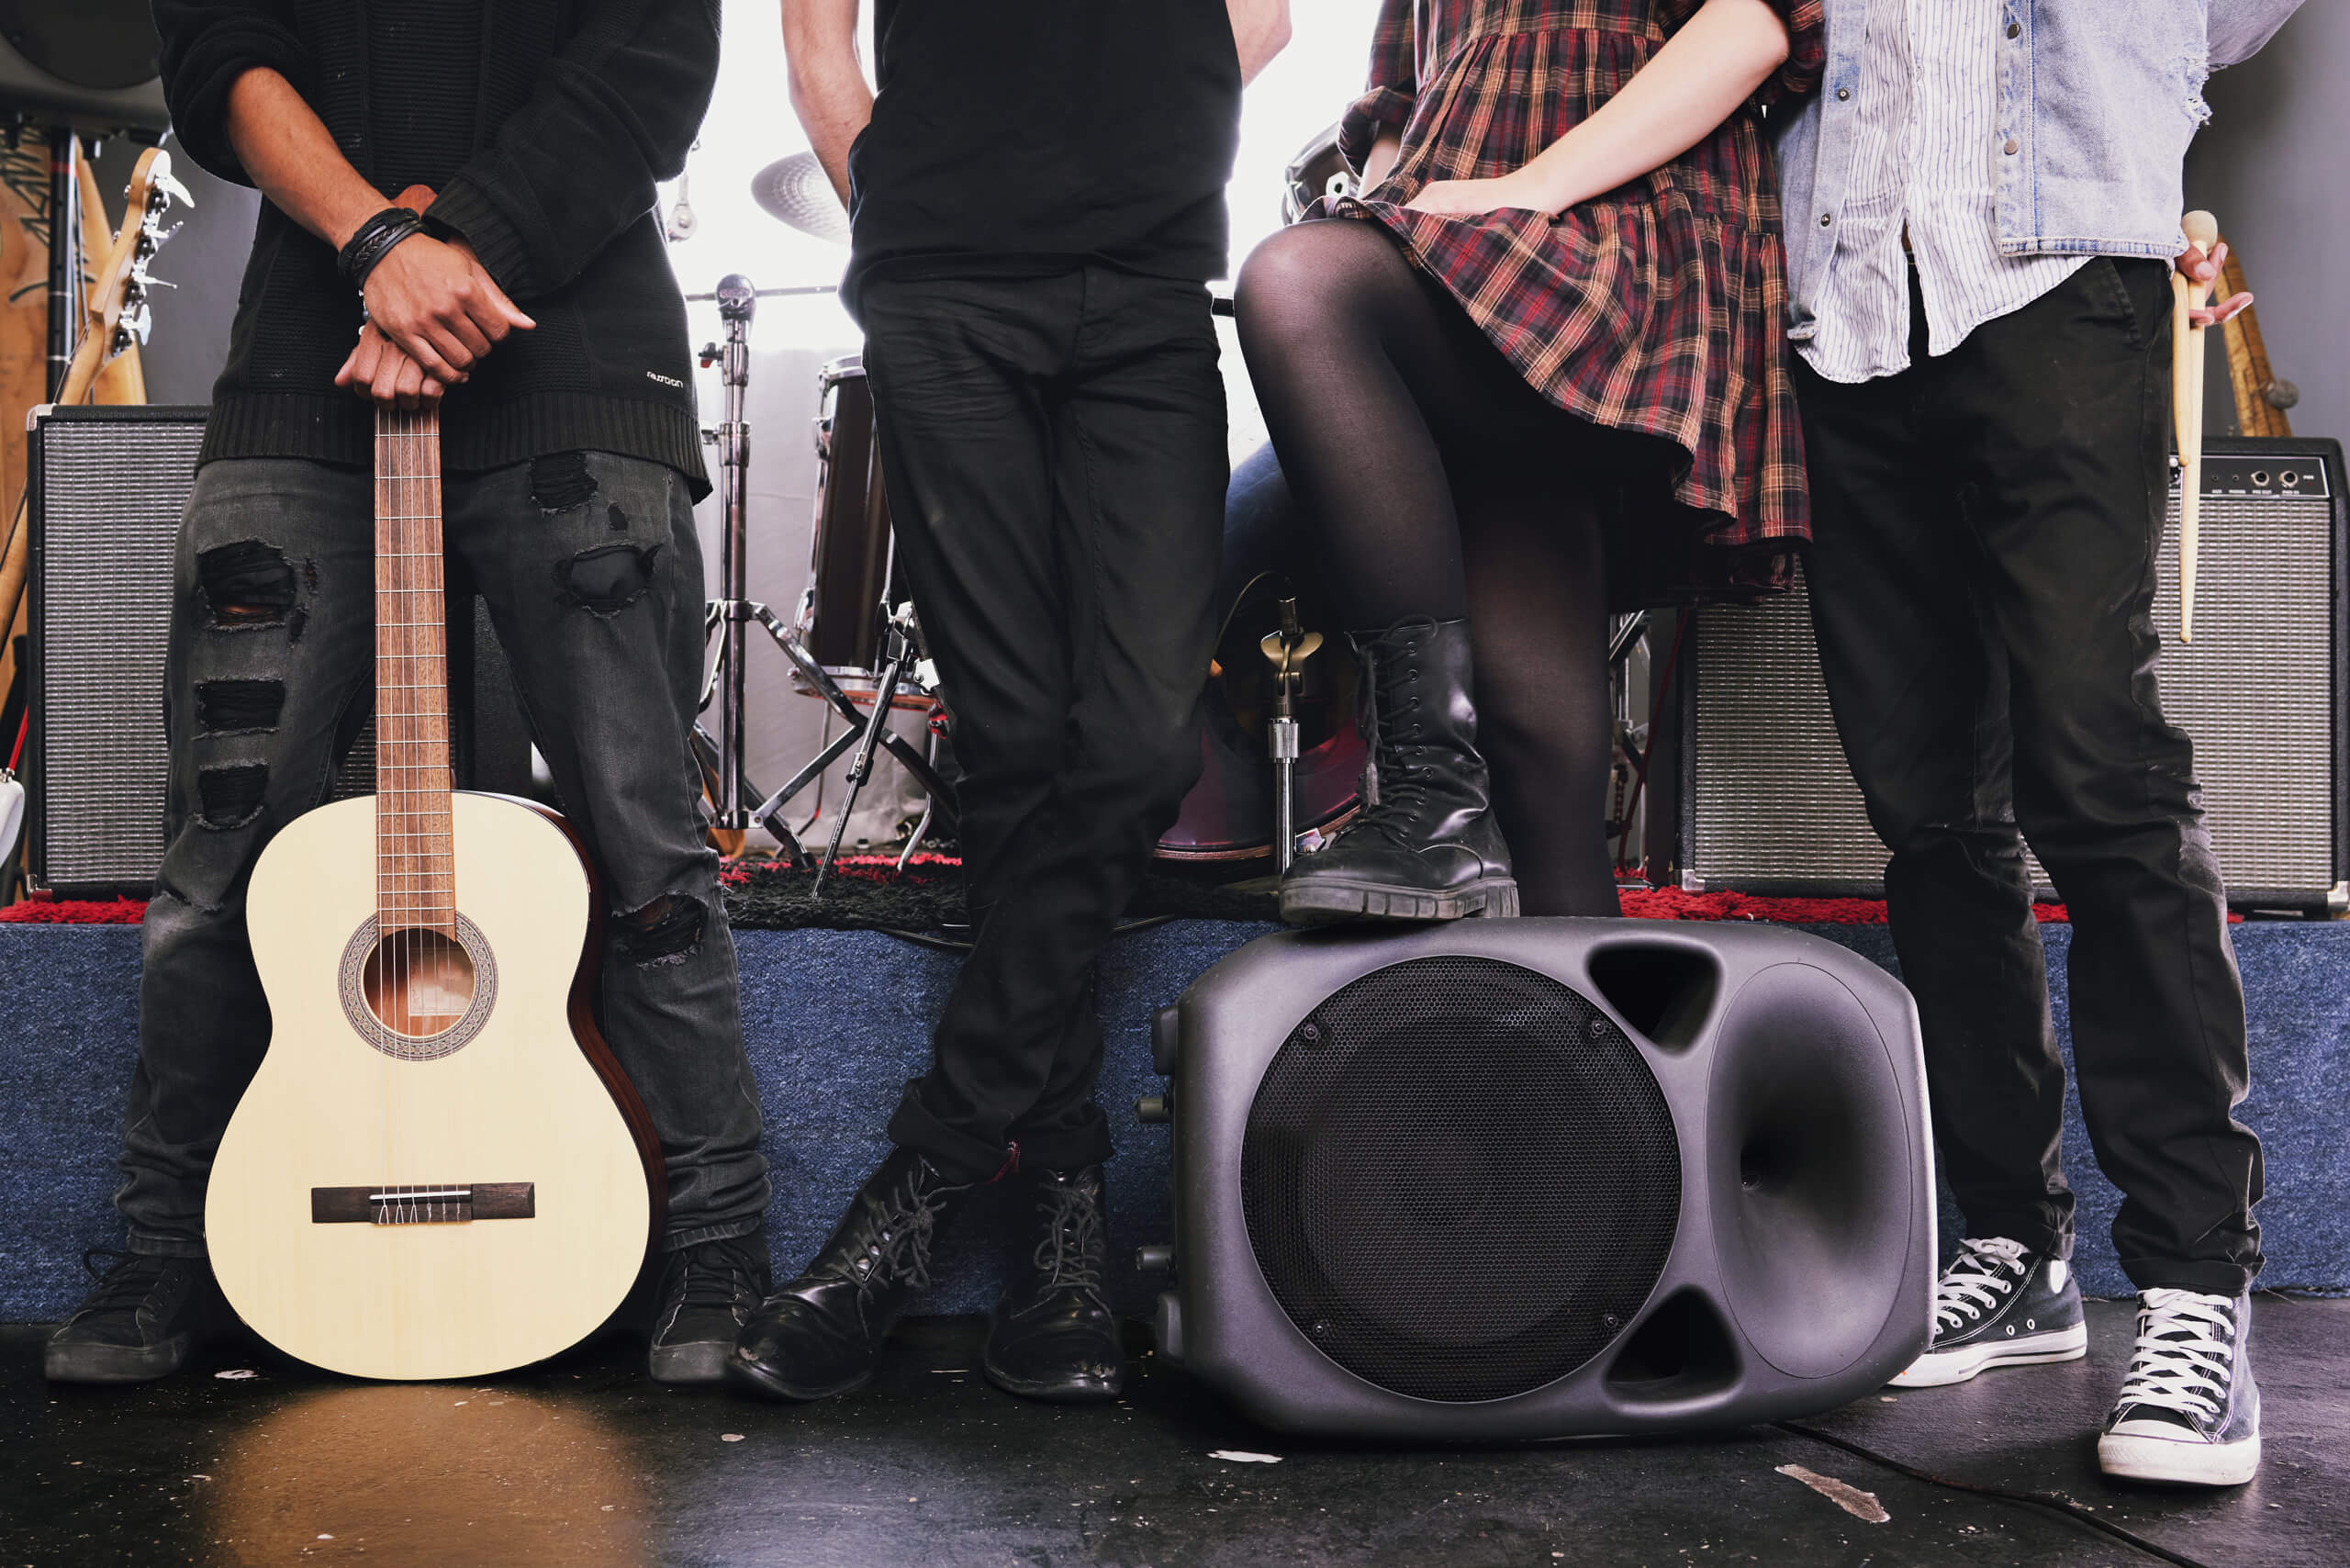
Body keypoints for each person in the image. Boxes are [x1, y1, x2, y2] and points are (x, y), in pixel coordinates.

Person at [43, 0, 773, 1388]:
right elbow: (218, 55)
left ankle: (721, 1245)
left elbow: (653, 63)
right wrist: (378, 244)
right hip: (307, 363)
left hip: (576, 372)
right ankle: (167, 1251)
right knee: (215, 858)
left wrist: (445, 261)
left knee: (645, 846)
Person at [1774, 0, 2304, 1487]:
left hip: (2058, 262)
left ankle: (2198, 1287)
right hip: (1850, 282)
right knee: (1930, 807)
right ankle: (2016, 1245)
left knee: (2100, 769)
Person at [735, 0, 1290, 1406]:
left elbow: (1265, 22)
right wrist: (921, 194)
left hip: (1146, 289)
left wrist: (1116, 144)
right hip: (943, 292)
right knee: (1020, 745)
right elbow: (815, 32)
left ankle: (922, 1175)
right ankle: (1060, 1224)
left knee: (1139, 742)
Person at [1233, 0, 1824, 926]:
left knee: (1296, 284)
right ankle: (1583, 1061)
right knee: (1533, 749)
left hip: (1606, 220)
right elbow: (1396, 107)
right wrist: (1381, 208)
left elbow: (1753, 26)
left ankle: (1433, 801)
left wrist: (1531, 188)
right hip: (1456, 238)